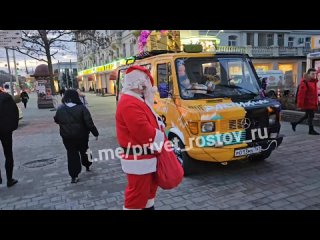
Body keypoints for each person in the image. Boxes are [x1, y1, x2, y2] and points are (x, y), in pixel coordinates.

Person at [116, 65, 165, 210]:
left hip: (145, 158)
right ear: (138, 83)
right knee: (137, 197)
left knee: (148, 194)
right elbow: (142, 131)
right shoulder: (129, 102)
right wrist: (161, 138)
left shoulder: (137, 100)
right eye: (146, 83)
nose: (148, 87)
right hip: (139, 160)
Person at [54, 89, 99, 183]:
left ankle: (74, 175)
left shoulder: (60, 108)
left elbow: (57, 120)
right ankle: (87, 165)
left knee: (71, 155)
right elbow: (89, 123)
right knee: (85, 150)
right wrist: (95, 133)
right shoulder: (82, 108)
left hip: (67, 137)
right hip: (82, 136)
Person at [291, 68, 319, 135]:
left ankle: (295, 123)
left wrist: (317, 101)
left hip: (312, 102)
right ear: (308, 74)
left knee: (307, 115)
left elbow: (314, 93)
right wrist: (300, 105)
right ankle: (311, 130)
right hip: (308, 103)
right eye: (312, 74)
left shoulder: (313, 81)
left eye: (315, 74)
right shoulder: (305, 82)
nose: (314, 75)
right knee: (310, 116)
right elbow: (301, 94)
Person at [0, 87, 19, 187]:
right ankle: (9, 179)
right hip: (6, 130)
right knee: (8, 154)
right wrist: (13, 126)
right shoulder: (7, 98)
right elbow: (15, 112)